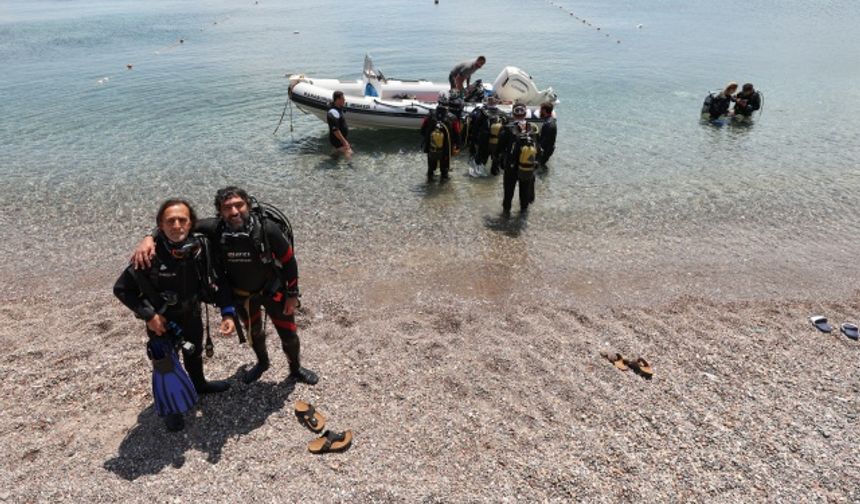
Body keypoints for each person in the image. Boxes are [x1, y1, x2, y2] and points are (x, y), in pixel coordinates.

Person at [133, 187, 319, 386]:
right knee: (254, 334)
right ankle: (262, 363)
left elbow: (289, 262)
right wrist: (148, 237)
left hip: (275, 292)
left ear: (248, 205)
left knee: (289, 335)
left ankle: (295, 368)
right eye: (227, 207)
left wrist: (292, 294)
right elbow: (178, 225)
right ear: (219, 211)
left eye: (239, 205)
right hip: (242, 296)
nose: (234, 211)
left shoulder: (267, 229)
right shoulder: (215, 229)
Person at [114, 199, 236, 432]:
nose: (177, 225)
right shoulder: (148, 255)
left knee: (195, 353)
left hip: (191, 314)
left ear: (191, 224)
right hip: (161, 320)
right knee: (166, 365)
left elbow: (218, 281)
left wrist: (227, 313)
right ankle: (170, 408)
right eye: (170, 221)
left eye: (183, 220)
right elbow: (121, 289)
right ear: (160, 225)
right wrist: (149, 315)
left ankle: (199, 384)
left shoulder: (201, 249)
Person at [499, 103, 541, 215]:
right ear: (525, 113)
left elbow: (499, 148)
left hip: (511, 165)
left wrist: (498, 161)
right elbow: (538, 149)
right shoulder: (532, 128)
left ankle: (506, 215)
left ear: (513, 114)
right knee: (525, 193)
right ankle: (523, 215)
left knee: (508, 193)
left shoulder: (507, 128)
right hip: (526, 165)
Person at [420, 104, 458, 181]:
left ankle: (429, 184)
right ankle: (443, 190)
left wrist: (427, 139)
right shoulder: (453, 117)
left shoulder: (429, 115)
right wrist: (457, 145)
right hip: (446, 149)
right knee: (444, 172)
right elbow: (457, 133)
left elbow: (422, 130)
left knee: (430, 169)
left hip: (431, 147)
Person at [327, 91, 352, 159]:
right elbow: (335, 130)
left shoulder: (338, 108)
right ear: (338, 100)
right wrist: (344, 142)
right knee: (349, 152)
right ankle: (350, 167)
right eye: (343, 99)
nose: (344, 100)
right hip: (337, 139)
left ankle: (333, 158)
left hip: (339, 139)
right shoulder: (333, 112)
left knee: (336, 153)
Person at [537, 101, 557, 169]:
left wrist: (538, 149)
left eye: (541, 110)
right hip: (549, 149)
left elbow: (546, 141)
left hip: (546, 151)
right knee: (541, 166)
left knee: (539, 167)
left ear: (544, 110)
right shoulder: (551, 121)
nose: (540, 111)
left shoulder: (548, 124)